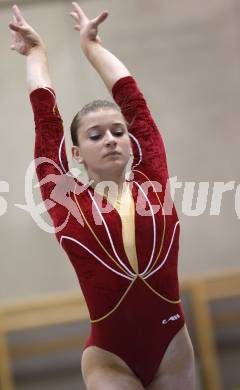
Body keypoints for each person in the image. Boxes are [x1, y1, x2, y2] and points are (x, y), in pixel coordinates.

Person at [9, 2, 195, 389]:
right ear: (75, 153)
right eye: (96, 135)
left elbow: (134, 103)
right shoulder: (67, 203)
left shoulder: (152, 181)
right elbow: (46, 122)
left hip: (174, 346)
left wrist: (92, 47)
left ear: (130, 142)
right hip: (111, 359)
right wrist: (37, 54)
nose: (110, 139)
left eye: (117, 131)